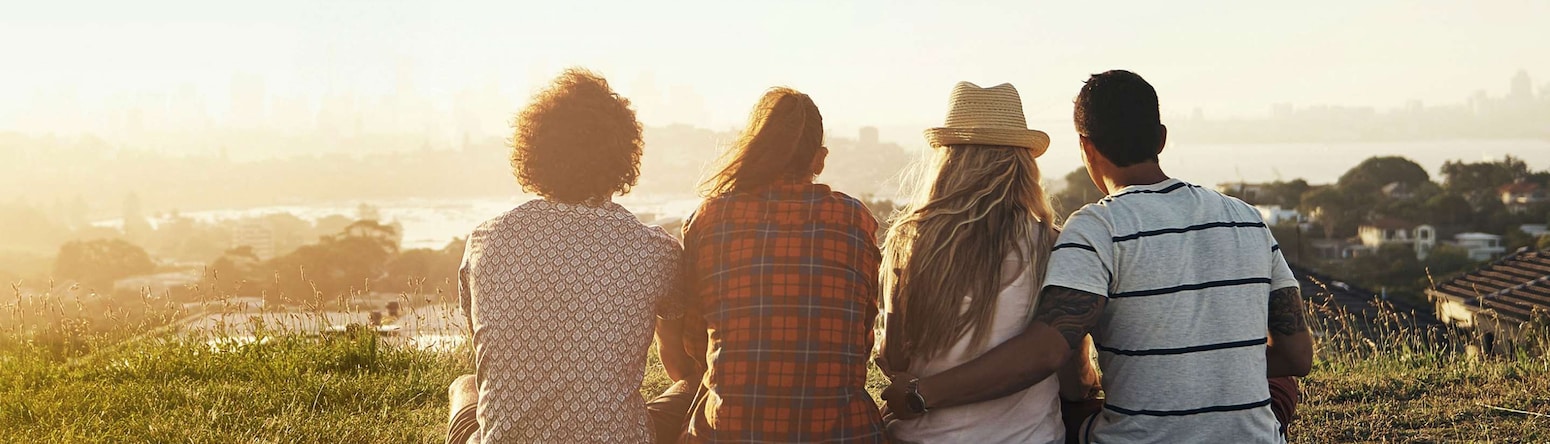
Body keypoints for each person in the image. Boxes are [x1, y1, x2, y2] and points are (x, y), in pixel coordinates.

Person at [880, 70, 1313, 443]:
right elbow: (1298, 357)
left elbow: (1047, 351)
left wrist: (923, 392)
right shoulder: (1246, 218)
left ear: (1086, 148)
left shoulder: (1095, 227)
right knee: (1281, 387)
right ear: (1161, 139)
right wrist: (1213, 368)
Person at [447, 68, 694, 444]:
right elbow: (678, 365)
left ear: (535, 153)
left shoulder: (485, 242)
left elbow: (486, 361)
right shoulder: (655, 251)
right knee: (692, 387)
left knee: (464, 386)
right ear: (622, 156)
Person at [875, 82, 1096, 444]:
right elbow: (1069, 372)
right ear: (1021, 163)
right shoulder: (1052, 244)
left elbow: (894, 357)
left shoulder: (908, 240)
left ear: (948, 160)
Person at [669, 87, 887, 443]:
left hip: (731, 432)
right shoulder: (854, 220)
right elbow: (861, 338)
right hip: (847, 434)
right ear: (819, 159)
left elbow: (694, 339)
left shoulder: (710, 218)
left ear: (753, 150)